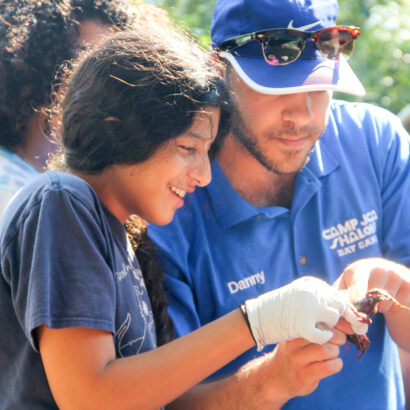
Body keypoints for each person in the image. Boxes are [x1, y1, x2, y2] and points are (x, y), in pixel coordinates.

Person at [0, 24, 367, 408]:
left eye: (208, 151)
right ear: (119, 128)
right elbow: (91, 397)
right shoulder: (63, 202)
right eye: (188, 147)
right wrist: (255, 321)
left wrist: (275, 377)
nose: (204, 175)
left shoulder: (120, 232)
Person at [148, 0, 410, 408]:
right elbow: (161, 398)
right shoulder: (170, 201)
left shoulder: (377, 143)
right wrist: (271, 380)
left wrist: (398, 290)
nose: (303, 114)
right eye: (279, 87)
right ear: (221, 72)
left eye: (320, 85)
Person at [0, 0, 138, 221]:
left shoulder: (84, 188)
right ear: (37, 59)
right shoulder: (10, 187)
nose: (98, 78)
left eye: (112, 65)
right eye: (83, 56)